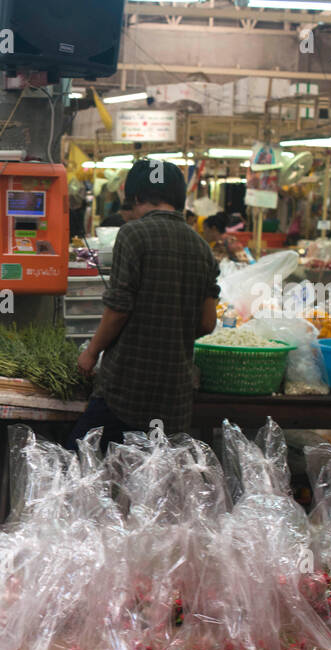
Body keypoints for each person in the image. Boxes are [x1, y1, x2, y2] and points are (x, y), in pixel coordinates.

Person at [68, 159, 219, 451]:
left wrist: (90, 353)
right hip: (174, 394)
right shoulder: (202, 248)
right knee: (150, 479)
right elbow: (207, 323)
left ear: (136, 197)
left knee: (79, 455)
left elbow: (119, 308)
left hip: (127, 387)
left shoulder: (133, 234)